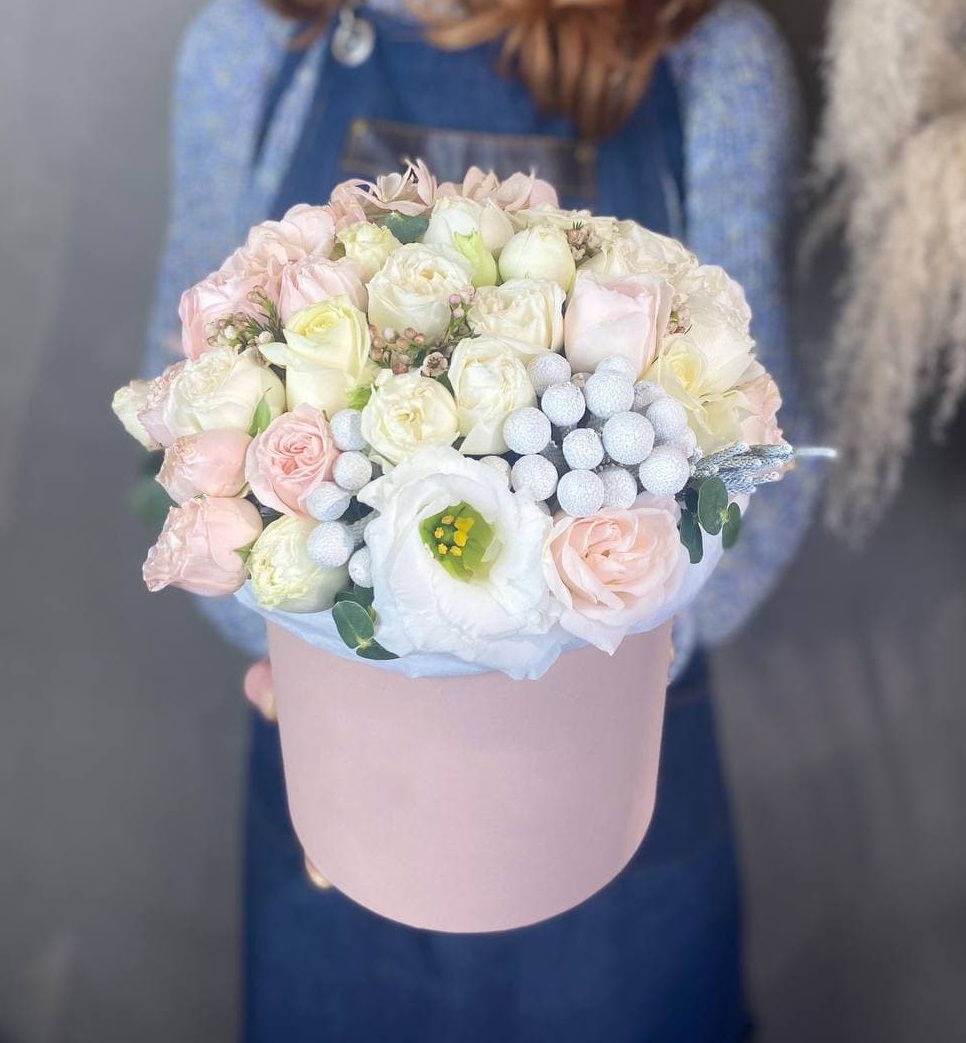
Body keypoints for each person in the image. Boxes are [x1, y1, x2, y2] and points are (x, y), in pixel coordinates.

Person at [146, 1, 818, 1039]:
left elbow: (768, 468)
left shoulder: (710, 58)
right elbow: (185, 423)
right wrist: (329, 654)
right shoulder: (250, 45)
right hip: (342, 770)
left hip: (615, 759)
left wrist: (563, 663)